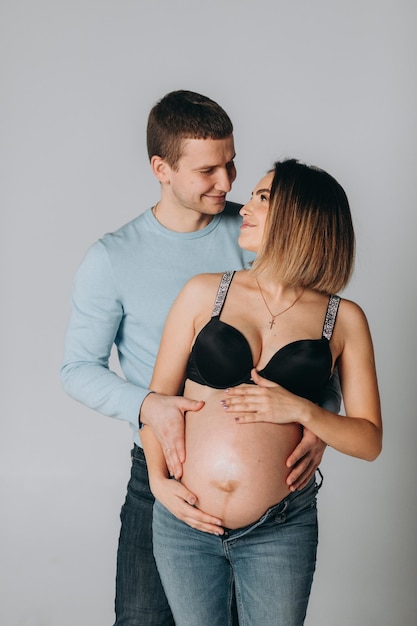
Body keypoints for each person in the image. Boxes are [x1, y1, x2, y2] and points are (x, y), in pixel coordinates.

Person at [60, 91, 340, 626]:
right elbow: (77, 369)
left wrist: (319, 421)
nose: (229, 182)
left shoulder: (259, 231)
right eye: (208, 169)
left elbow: (313, 338)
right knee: (141, 619)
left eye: (231, 162)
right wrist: (150, 406)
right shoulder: (112, 257)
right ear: (161, 168)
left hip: (266, 485)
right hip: (162, 469)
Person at [141, 159, 382, 626]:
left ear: (301, 216)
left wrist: (302, 410)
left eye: (262, 197)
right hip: (185, 522)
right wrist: (158, 482)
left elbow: (369, 440)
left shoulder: (344, 318)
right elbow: (157, 404)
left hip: (280, 527)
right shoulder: (203, 293)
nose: (244, 207)